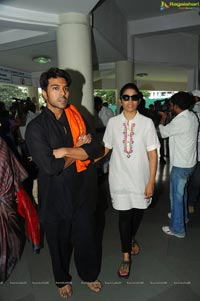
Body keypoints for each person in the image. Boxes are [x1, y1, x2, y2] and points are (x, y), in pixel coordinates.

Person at [25, 67, 102, 298]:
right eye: (55, 88)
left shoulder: (76, 117)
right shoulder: (35, 128)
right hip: (55, 197)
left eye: (65, 88)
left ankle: (88, 275)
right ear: (44, 94)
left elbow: (95, 148)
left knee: (86, 238)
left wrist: (67, 150)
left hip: (82, 192)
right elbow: (51, 167)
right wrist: (80, 151)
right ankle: (61, 280)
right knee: (58, 244)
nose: (63, 93)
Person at [96, 83, 159, 278]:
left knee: (137, 214)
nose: (130, 101)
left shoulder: (147, 123)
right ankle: (125, 257)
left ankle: (131, 237)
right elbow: (106, 148)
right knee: (124, 218)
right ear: (120, 100)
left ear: (139, 100)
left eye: (133, 97)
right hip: (119, 178)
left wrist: (150, 182)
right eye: (126, 97)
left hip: (141, 179)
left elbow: (153, 155)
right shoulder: (113, 122)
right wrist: (89, 160)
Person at [159, 92, 198, 238]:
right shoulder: (192, 116)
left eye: (171, 104)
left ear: (176, 105)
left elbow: (163, 132)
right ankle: (183, 216)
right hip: (190, 163)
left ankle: (177, 229)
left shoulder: (180, 121)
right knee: (183, 193)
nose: (170, 106)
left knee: (176, 196)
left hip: (181, 165)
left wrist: (162, 119)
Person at [0, 137, 40, 283]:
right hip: (7, 198)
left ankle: (9, 261)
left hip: (8, 199)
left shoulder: (2, 144)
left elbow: (12, 165)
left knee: (13, 236)